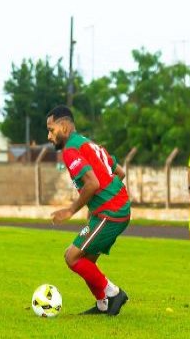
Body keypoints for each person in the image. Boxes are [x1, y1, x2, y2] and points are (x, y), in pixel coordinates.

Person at [46, 105, 131, 316]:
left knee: (72, 257)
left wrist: (70, 210)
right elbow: (119, 172)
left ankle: (113, 293)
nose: (49, 136)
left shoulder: (70, 150)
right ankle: (103, 304)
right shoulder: (89, 144)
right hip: (114, 209)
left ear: (64, 126)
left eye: (51, 129)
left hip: (110, 213)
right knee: (85, 261)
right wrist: (106, 198)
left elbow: (92, 184)